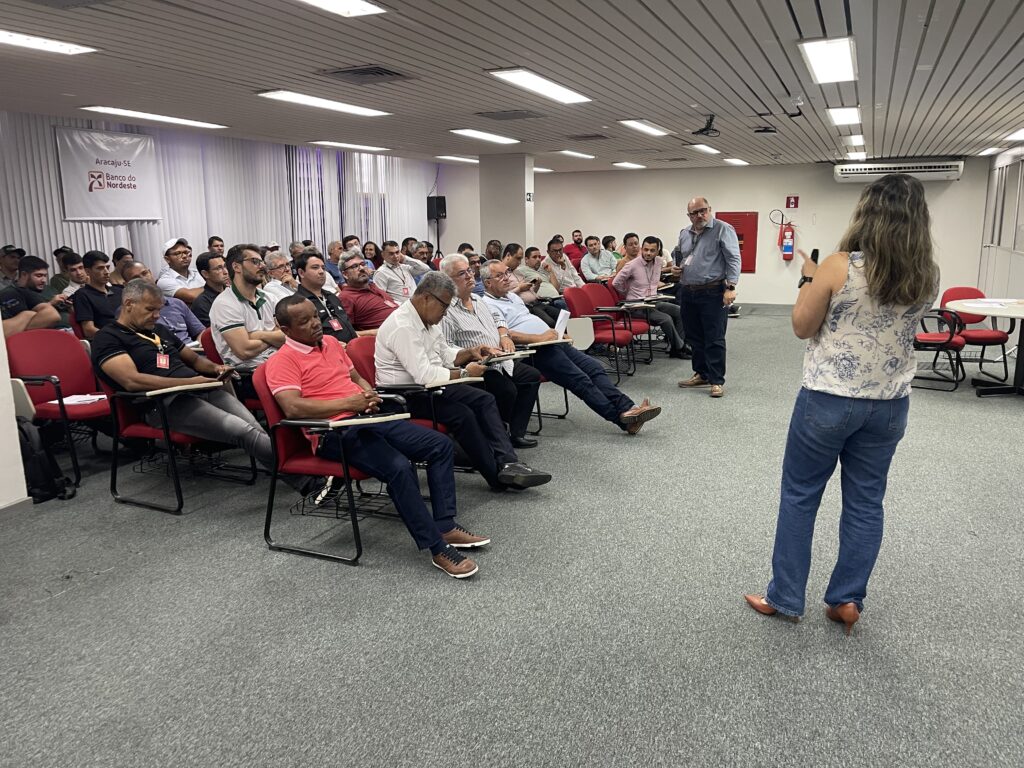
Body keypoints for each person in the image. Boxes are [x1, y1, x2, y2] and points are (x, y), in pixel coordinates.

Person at [744, 174, 940, 634]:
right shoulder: (926, 274)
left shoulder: (838, 265)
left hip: (829, 399)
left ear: (866, 213)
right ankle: (847, 598)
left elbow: (801, 326)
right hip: (889, 405)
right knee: (867, 502)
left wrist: (808, 280)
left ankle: (785, 596)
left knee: (800, 495)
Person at [266, 295, 489, 578]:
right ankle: (437, 547)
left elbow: (355, 377)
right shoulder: (281, 361)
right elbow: (293, 408)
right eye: (304, 321)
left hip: (366, 416)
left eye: (315, 316)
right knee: (398, 467)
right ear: (285, 329)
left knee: (439, 445)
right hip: (332, 431)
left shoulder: (331, 343)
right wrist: (349, 403)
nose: (315, 323)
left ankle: (445, 525)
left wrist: (366, 392)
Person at [92, 278, 325, 498]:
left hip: (200, 389)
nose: (157, 315)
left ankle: (298, 469)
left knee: (254, 428)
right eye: (150, 310)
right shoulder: (108, 338)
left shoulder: (158, 331)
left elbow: (194, 360)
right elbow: (132, 381)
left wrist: (216, 368)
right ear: (129, 304)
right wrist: (192, 382)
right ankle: (310, 481)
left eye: (158, 309)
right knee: (243, 432)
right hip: (163, 403)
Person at [375, 271, 551, 491]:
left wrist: (471, 352)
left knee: (484, 399)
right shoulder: (403, 326)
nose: (445, 312)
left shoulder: (427, 320)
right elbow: (424, 375)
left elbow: (446, 355)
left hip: (430, 388)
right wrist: (466, 374)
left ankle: (509, 463)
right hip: (405, 396)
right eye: (444, 306)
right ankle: (496, 477)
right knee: (463, 415)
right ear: (427, 298)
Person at [479, 259, 662, 435]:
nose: (507, 278)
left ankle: (628, 407)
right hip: (534, 351)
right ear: (487, 283)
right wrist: (540, 337)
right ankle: (622, 419)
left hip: (552, 341)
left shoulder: (512, 296)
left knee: (594, 368)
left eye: (507, 273)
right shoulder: (486, 305)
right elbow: (505, 335)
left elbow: (528, 320)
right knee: (580, 380)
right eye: (500, 276)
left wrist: (555, 332)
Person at [439, 253, 541, 449]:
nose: (470, 276)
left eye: (469, 271)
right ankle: (496, 436)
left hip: (499, 359)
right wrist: (475, 351)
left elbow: (497, 317)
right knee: (506, 390)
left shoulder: (477, 299)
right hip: (475, 365)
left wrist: (504, 335)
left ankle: (515, 432)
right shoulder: (446, 309)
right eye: (462, 273)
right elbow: (447, 348)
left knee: (531, 376)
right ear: (447, 280)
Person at [674, 197, 741, 398]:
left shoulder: (723, 229)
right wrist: (678, 269)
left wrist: (731, 287)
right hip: (688, 291)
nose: (699, 215)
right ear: (689, 215)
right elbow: (681, 255)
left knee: (714, 337)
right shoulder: (684, 233)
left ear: (709, 209)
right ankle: (701, 374)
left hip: (713, 291)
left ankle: (716, 380)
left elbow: (733, 258)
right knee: (694, 336)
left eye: (702, 210)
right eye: (694, 213)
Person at [209, 243, 284, 399]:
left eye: (262, 261)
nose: (262, 266)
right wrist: (273, 336)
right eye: (255, 261)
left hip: (279, 363)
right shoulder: (225, 303)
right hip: (250, 375)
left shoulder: (269, 297)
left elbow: (289, 335)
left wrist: (257, 335)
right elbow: (244, 351)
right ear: (236, 267)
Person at [612, 235, 688, 358]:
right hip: (637, 305)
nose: (648, 253)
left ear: (657, 251)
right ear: (642, 249)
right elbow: (616, 282)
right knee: (666, 319)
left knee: (680, 311)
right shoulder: (632, 265)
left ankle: (676, 347)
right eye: (646, 249)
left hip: (653, 301)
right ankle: (681, 348)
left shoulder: (659, 262)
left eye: (652, 250)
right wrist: (627, 293)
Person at [122, 261, 204, 344]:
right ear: (126, 285)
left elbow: (201, 331)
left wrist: (200, 345)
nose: (143, 279)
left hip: (193, 348)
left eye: (145, 273)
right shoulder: (130, 311)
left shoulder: (177, 303)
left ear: (150, 273)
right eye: (136, 278)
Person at [294, 252, 357, 343]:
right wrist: (329, 345)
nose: (321, 272)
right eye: (315, 267)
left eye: (323, 268)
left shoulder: (332, 296)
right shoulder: (298, 303)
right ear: (301, 273)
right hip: (326, 349)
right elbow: (303, 338)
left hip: (351, 346)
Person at [338, 252, 400, 332]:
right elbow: (347, 333)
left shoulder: (373, 286)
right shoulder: (346, 297)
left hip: (404, 322)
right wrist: (378, 332)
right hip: (391, 333)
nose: (361, 268)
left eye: (363, 264)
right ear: (345, 274)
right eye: (355, 266)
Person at [71, 251, 122, 339]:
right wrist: (119, 337)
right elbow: (88, 330)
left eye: (107, 267)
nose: (106, 272)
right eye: (100, 268)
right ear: (88, 271)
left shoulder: (119, 290)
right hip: (109, 340)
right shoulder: (82, 295)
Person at [14, 254, 73, 329]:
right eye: (39, 276)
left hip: (72, 328)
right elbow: (25, 322)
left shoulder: (49, 289)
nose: (44, 280)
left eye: (45, 276)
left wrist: (68, 305)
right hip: (49, 332)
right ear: (24, 275)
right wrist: (51, 303)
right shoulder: (14, 294)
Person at [156, 237, 205, 305]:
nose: (184, 256)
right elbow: (192, 296)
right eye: (178, 253)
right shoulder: (164, 281)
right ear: (167, 259)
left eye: (186, 252)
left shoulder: (198, 272)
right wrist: (214, 286)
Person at [190, 251, 230, 327]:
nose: (226, 272)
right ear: (205, 274)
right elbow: (214, 330)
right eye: (219, 268)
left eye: (225, 266)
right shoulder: (201, 303)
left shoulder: (233, 292)